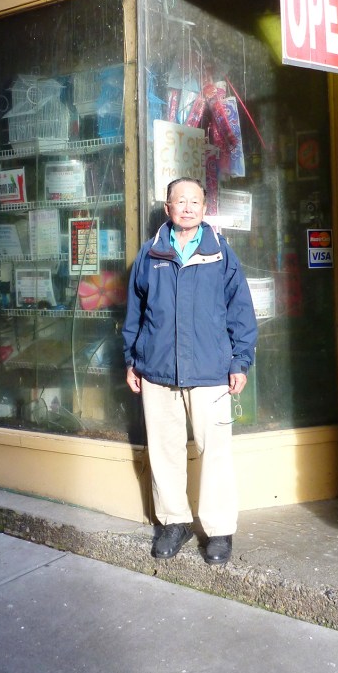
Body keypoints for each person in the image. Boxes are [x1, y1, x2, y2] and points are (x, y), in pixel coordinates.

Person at [122, 177, 258, 566]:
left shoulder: (221, 255)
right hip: (157, 370)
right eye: (179, 201)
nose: (186, 207)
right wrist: (132, 359)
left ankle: (218, 531)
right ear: (167, 208)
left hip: (211, 372)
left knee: (215, 453)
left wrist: (239, 362)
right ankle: (174, 523)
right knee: (164, 451)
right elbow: (134, 314)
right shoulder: (149, 256)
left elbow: (241, 314)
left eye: (194, 201)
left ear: (203, 208)